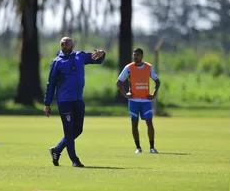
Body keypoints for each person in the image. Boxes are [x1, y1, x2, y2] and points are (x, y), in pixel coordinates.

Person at [44, 37, 106, 167]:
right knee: (69, 130)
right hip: (65, 101)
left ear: (73, 44)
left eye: (67, 42)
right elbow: (51, 84)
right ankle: (74, 160)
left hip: (78, 100)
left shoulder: (80, 56)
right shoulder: (57, 62)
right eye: (62, 43)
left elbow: (97, 59)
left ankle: (57, 150)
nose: (65, 44)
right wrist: (47, 103)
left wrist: (102, 53)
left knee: (78, 130)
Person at [116, 48, 161, 154]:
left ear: (142, 56)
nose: (135, 57)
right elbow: (119, 82)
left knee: (149, 122)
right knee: (134, 123)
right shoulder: (129, 68)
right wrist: (125, 94)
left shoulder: (149, 67)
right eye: (134, 55)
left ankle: (152, 147)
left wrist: (154, 94)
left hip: (145, 100)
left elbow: (157, 81)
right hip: (133, 101)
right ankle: (138, 147)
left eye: (138, 55)